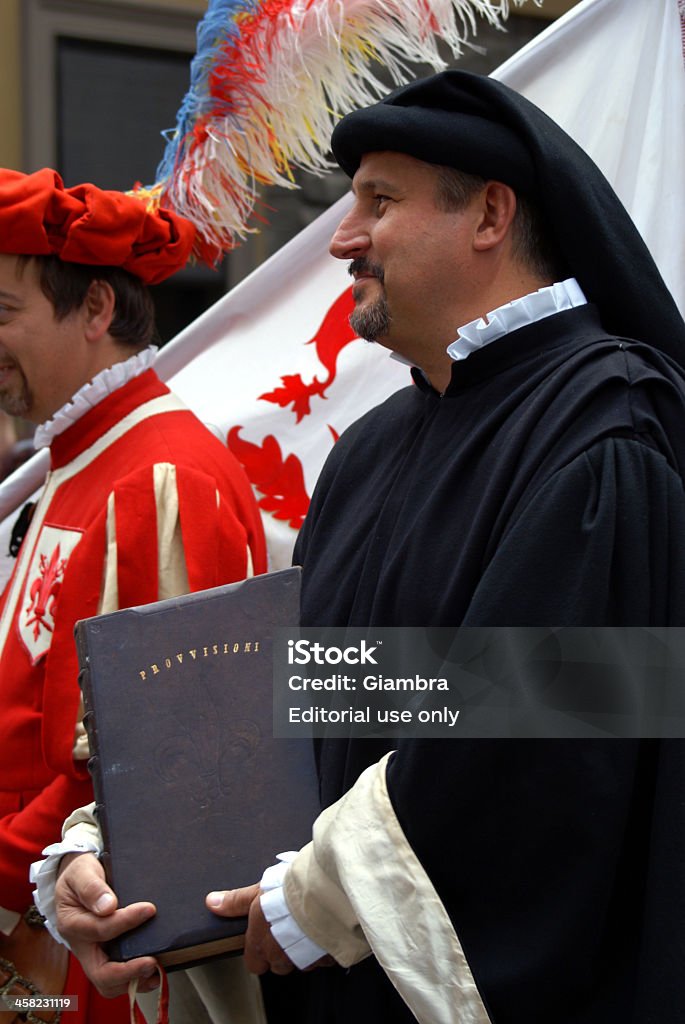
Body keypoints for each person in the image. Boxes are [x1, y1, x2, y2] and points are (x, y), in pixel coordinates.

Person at [51, 71, 685, 1023]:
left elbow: (549, 743)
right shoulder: (381, 444)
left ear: (488, 215)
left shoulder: (603, 434)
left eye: (377, 202)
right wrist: (124, 851)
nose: (343, 238)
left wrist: (318, 896)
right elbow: (318, 686)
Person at [0, 168, 267, 1024]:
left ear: (96, 310)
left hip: (96, 951)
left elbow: (157, 757)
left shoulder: (158, 475)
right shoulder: (83, 459)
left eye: (4, 313)